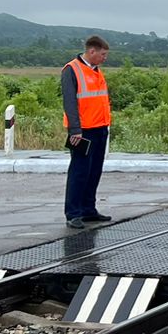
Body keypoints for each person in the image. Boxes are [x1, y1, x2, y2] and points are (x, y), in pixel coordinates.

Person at [62, 35, 112, 229]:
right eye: (103, 54)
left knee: (94, 171)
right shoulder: (71, 70)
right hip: (82, 131)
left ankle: (88, 209)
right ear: (92, 51)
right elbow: (70, 102)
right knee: (79, 171)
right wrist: (75, 130)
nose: (104, 58)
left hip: (100, 128)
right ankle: (73, 213)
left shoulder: (96, 71)